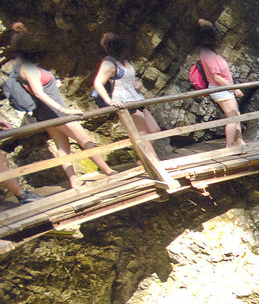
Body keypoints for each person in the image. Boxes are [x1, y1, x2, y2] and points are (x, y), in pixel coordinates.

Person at [10, 32, 116, 188]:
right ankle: (108, 171)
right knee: (85, 140)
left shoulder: (20, 66)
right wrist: (63, 110)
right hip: (56, 113)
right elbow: (38, 92)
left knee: (62, 146)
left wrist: (53, 85)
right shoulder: (28, 68)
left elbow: (37, 89)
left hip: (44, 114)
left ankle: (74, 180)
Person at [92, 32, 163, 143]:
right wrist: (110, 101)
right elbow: (98, 83)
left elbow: (126, 78)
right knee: (143, 136)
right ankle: (151, 160)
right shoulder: (108, 63)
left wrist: (137, 84)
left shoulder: (124, 60)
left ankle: (142, 160)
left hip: (137, 98)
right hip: (125, 102)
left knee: (154, 130)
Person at [195, 20, 244, 148]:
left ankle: (240, 142)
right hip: (220, 89)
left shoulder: (208, 51)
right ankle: (230, 145)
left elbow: (204, 23)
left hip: (223, 89)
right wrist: (235, 89)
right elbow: (217, 77)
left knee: (235, 116)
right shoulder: (209, 55)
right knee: (233, 118)